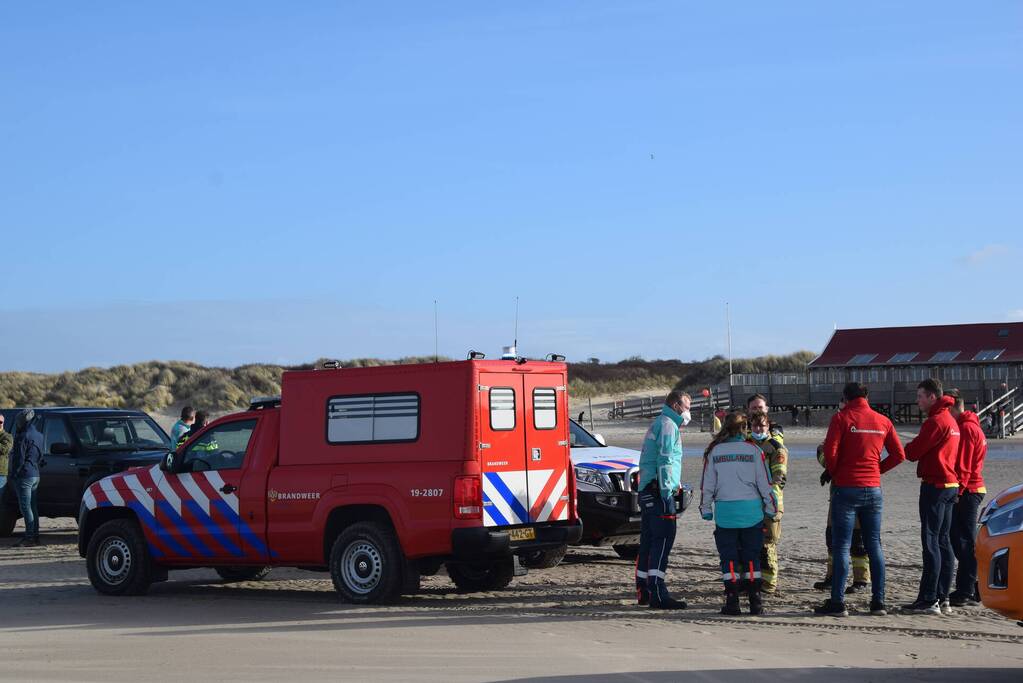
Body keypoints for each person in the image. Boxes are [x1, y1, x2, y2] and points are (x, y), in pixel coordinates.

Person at [814, 382, 905, 617]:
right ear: (866, 396)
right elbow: (899, 455)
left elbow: (831, 453)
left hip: (846, 488)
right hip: (873, 489)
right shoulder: (882, 420)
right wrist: (877, 470)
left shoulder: (841, 418)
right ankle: (878, 602)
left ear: (845, 397)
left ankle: (837, 603)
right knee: (874, 544)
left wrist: (836, 472)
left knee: (842, 544)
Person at [700, 411, 778, 616]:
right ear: (745, 429)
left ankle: (732, 600)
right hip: (751, 513)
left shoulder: (715, 452)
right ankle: (755, 601)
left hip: (726, 514)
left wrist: (706, 509)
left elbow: (707, 485)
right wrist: (771, 509)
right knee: (752, 557)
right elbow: (765, 483)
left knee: (729, 559)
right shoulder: (753, 451)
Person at [903, 378, 961, 616]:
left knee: (932, 542)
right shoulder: (950, 420)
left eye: (920, 397)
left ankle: (929, 599)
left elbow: (914, 452)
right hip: (950, 484)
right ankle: (943, 596)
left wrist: (904, 448)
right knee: (943, 542)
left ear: (932, 397)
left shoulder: (937, 421)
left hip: (937, 486)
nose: (917, 401)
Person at [634, 390, 692, 610]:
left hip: (647, 490)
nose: (688, 411)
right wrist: (668, 491)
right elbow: (666, 460)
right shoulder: (669, 426)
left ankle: (644, 590)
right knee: (663, 540)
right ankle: (658, 592)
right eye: (687, 406)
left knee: (648, 542)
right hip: (659, 492)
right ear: (677, 405)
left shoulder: (659, 422)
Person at [813, 400, 872, 595]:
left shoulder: (857, 432)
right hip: (838, 493)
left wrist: (823, 455)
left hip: (855, 492)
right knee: (833, 537)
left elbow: (832, 457)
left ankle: (861, 579)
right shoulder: (840, 428)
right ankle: (833, 576)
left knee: (857, 539)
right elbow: (830, 458)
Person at [948, 389, 987, 607]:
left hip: (969, 489)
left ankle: (967, 589)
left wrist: (958, 492)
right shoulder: (974, 426)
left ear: (953, 408)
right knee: (964, 540)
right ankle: (973, 586)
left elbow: (963, 465)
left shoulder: (965, 429)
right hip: (973, 487)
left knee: (962, 541)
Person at [748, 410, 787, 593]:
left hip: (770, 503)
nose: (758, 428)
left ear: (768, 426)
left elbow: (778, 475)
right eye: (755, 425)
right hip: (749, 502)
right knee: (749, 544)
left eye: (762, 425)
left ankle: (769, 583)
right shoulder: (745, 444)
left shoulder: (775, 446)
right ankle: (752, 580)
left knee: (768, 544)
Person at [8, 410, 44, 547]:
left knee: (26, 508)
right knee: (32, 507)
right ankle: (35, 536)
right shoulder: (39, 435)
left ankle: (29, 537)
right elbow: (40, 456)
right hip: (35, 474)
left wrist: (14, 473)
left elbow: (19, 458)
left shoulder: (23, 436)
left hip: (24, 475)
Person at [0, 413, 12, 494]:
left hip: (0, 473)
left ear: (3, 423)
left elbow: (5, 449)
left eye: (0, 422)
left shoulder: (7, 436)